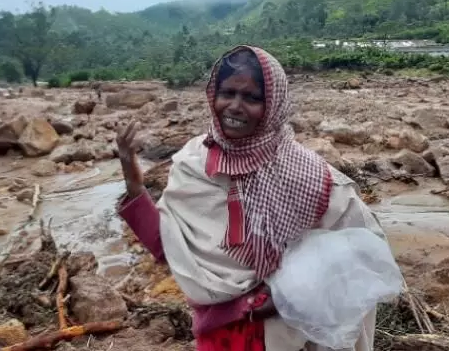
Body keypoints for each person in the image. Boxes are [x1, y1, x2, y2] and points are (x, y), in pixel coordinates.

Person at [116, 46, 388, 351]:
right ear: (212, 95)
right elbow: (170, 248)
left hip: (284, 335)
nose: (234, 106)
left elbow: (365, 251)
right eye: (227, 93)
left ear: (273, 105)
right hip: (217, 333)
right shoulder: (193, 163)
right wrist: (133, 181)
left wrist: (286, 294)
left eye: (251, 97)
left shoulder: (308, 176)